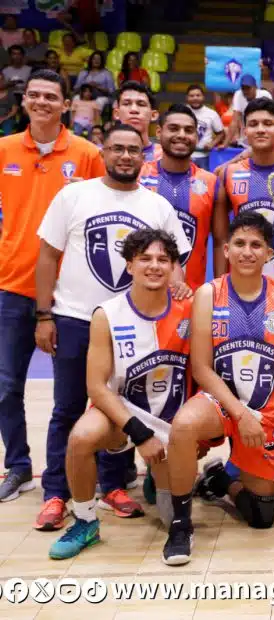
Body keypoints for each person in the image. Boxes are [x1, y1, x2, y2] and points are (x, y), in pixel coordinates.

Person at [33, 123, 191, 531]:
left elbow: (175, 264)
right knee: (68, 408)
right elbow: (47, 256)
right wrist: (44, 314)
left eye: (133, 150)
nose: (125, 156)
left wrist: (180, 296)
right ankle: (56, 492)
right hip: (76, 317)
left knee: (126, 403)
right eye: (117, 148)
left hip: (133, 323)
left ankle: (114, 485)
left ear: (144, 155)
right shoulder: (73, 195)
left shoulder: (156, 205)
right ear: (102, 152)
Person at [162, 211, 274, 565]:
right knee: (183, 426)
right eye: (239, 243)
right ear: (226, 249)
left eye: (256, 245)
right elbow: (201, 367)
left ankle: (219, 480)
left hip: (266, 411)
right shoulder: (209, 294)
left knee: (262, 517)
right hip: (221, 403)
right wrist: (240, 414)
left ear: (270, 253)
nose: (247, 251)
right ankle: (181, 525)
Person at [47, 229, 192, 559]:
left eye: (163, 260)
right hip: (124, 415)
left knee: (171, 517)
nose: (154, 266)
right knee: (81, 438)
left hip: (170, 420)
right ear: (129, 265)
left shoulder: (189, 308)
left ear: (173, 267)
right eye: (145, 259)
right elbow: (96, 387)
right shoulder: (107, 314)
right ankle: (85, 522)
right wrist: (140, 434)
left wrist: (195, 435)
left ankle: (163, 477)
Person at [0, 70, 104, 503]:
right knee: (6, 386)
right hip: (12, 286)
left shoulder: (87, 154)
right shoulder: (4, 149)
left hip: (71, 296)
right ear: (24, 100)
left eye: (51, 96)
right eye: (34, 95)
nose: (42, 102)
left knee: (80, 393)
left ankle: (85, 472)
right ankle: (19, 465)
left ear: (66, 105)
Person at [216, 98, 274, 278]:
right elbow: (221, 238)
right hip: (240, 280)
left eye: (268, 124)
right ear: (245, 131)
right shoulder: (229, 174)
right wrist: (219, 283)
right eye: (253, 124)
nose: (260, 129)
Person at [139, 104, 221, 291]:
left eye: (189, 130)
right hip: (140, 294)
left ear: (197, 136)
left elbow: (220, 242)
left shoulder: (211, 183)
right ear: (159, 132)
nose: (182, 135)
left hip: (191, 296)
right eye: (174, 128)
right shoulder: (139, 177)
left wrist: (219, 290)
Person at [112, 80, 162, 162]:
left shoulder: (164, 156)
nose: (134, 110)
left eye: (141, 104)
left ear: (153, 115)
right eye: (126, 104)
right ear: (116, 114)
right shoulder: (102, 155)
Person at [224, 74, 272, 148]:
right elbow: (234, 121)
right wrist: (225, 143)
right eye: (243, 88)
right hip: (246, 138)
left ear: (255, 87)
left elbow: (271, 117)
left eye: (248, 88)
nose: (245, 91)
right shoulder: (238, 94)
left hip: (264, 135)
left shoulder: (265, 95)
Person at [185, 84, 224, 169]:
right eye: (192, 96)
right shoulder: (182, 112)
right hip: (184, 155)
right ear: (187, 98)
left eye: (198, 95)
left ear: (203, 97)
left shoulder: (212, 114)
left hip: (204, 157)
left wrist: (212, 144)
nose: (195, 98)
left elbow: (221, 134)